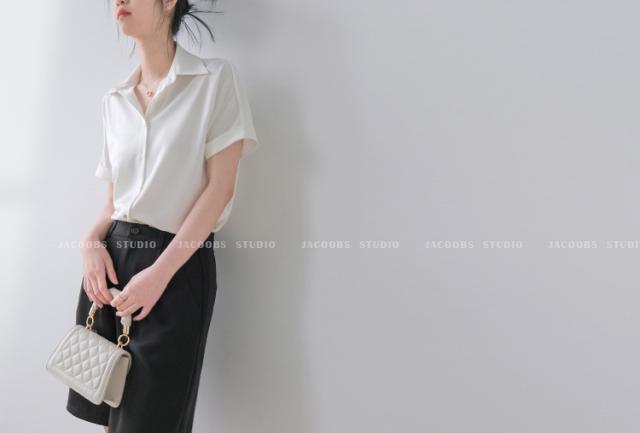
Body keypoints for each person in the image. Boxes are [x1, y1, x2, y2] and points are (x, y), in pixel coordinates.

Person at [65, 0, 260, 432]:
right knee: (110, 420)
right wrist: (89, 242)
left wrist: (159, 275)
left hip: (174, 267)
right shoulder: (114, 100)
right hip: (111, 267)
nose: (119, 1)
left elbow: (219, 190)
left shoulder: (214, 80)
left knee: (150, 422)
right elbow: (113, 203)